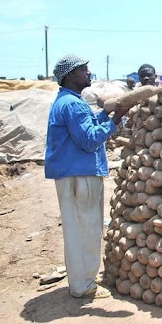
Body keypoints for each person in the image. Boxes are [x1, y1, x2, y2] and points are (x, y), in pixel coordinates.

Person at [45, 54, 127, 298]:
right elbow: (90, 140)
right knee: (87, 229)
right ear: (71, 75)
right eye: (84, 70)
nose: (89, 73)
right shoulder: (72, 104)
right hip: (81, 175)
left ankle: (79, 282)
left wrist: (107, 115)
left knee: (76, 229)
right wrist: (117, 121)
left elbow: (87, 126)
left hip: (71, 173)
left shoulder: (67, 101)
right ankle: (84, 285)